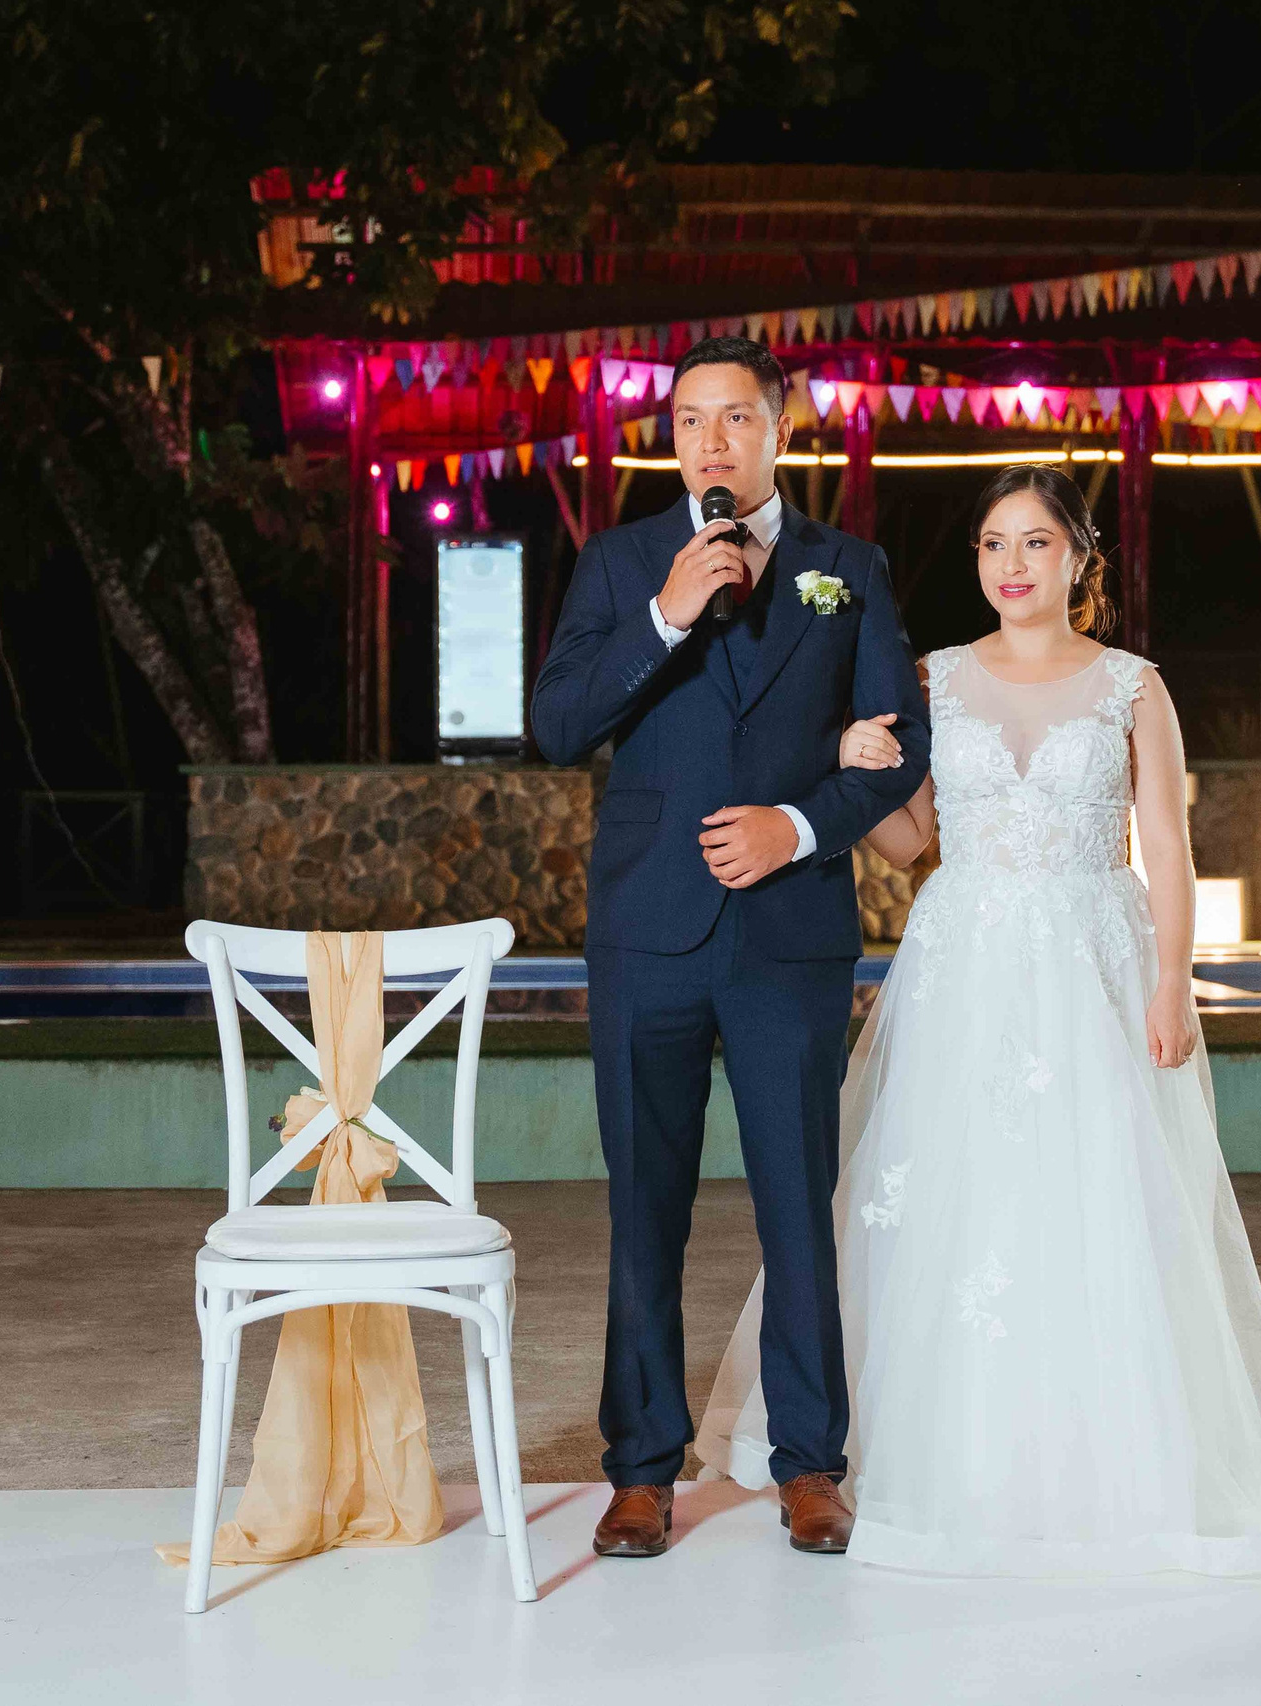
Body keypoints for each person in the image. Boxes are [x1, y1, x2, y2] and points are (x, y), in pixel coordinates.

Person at [695, 464, 1261, 1576]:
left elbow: (1170, 852)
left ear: (1078, 558)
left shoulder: (1134, 686)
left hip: (1093, 959)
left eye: (1035, 543)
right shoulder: (935, 678)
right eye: (993, 544)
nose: (1010, 564)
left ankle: (1106, 1462)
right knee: (949, 1193)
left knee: (1097, 1196)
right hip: (966, 962)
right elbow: (910, 844)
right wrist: (857, 764)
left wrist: (1173, 980)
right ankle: (929, 1456)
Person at [532, 337, 931, 1558]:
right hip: (649, 933)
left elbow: (898, 745)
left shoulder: (844, 568)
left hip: (787, 935)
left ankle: (811, 1463)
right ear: (671, 437)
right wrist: (665, 612)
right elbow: (556, 726)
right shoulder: (616, 565)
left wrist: (799, 823)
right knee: (643, 1205)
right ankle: (643, 1469)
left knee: (794, 1209)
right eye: (691, 419)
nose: (713, 439)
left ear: (778, 428)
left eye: (737, 417)